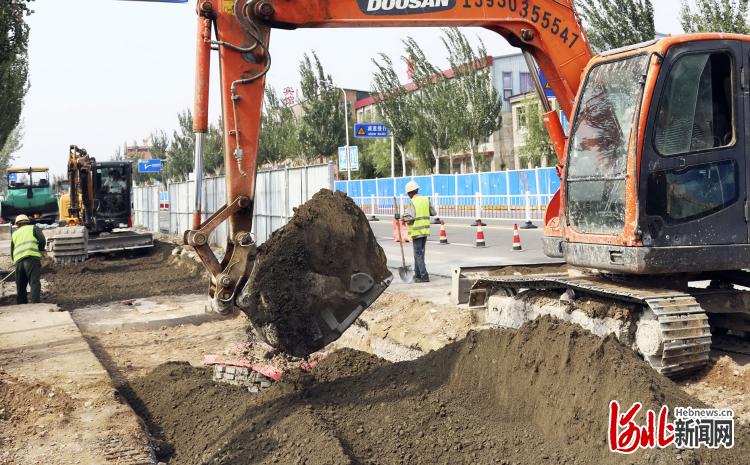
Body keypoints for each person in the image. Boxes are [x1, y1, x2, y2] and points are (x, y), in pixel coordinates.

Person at [400, 181, 436, 283]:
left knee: (418, 254)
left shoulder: (413, 202)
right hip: (425, 230)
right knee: (419, 253)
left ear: (411, 192)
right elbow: (433, 212)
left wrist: (402, 217)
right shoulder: (426, 199)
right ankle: (418, 274)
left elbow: (411, 216)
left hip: (417, 231)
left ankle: (424, 276)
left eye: (408, 193)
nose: (408, 195)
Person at [11, 214, 46, 304]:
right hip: (31, 259)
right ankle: (35, 303)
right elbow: (42, 240)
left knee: (20, 285)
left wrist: (14, 262)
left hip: (18, 261)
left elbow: (12, 250)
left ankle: (22, 304)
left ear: (17, 224)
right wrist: (41, 250)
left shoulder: (14, 234)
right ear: (28, 222)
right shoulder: (33, 228)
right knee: (34, 282)